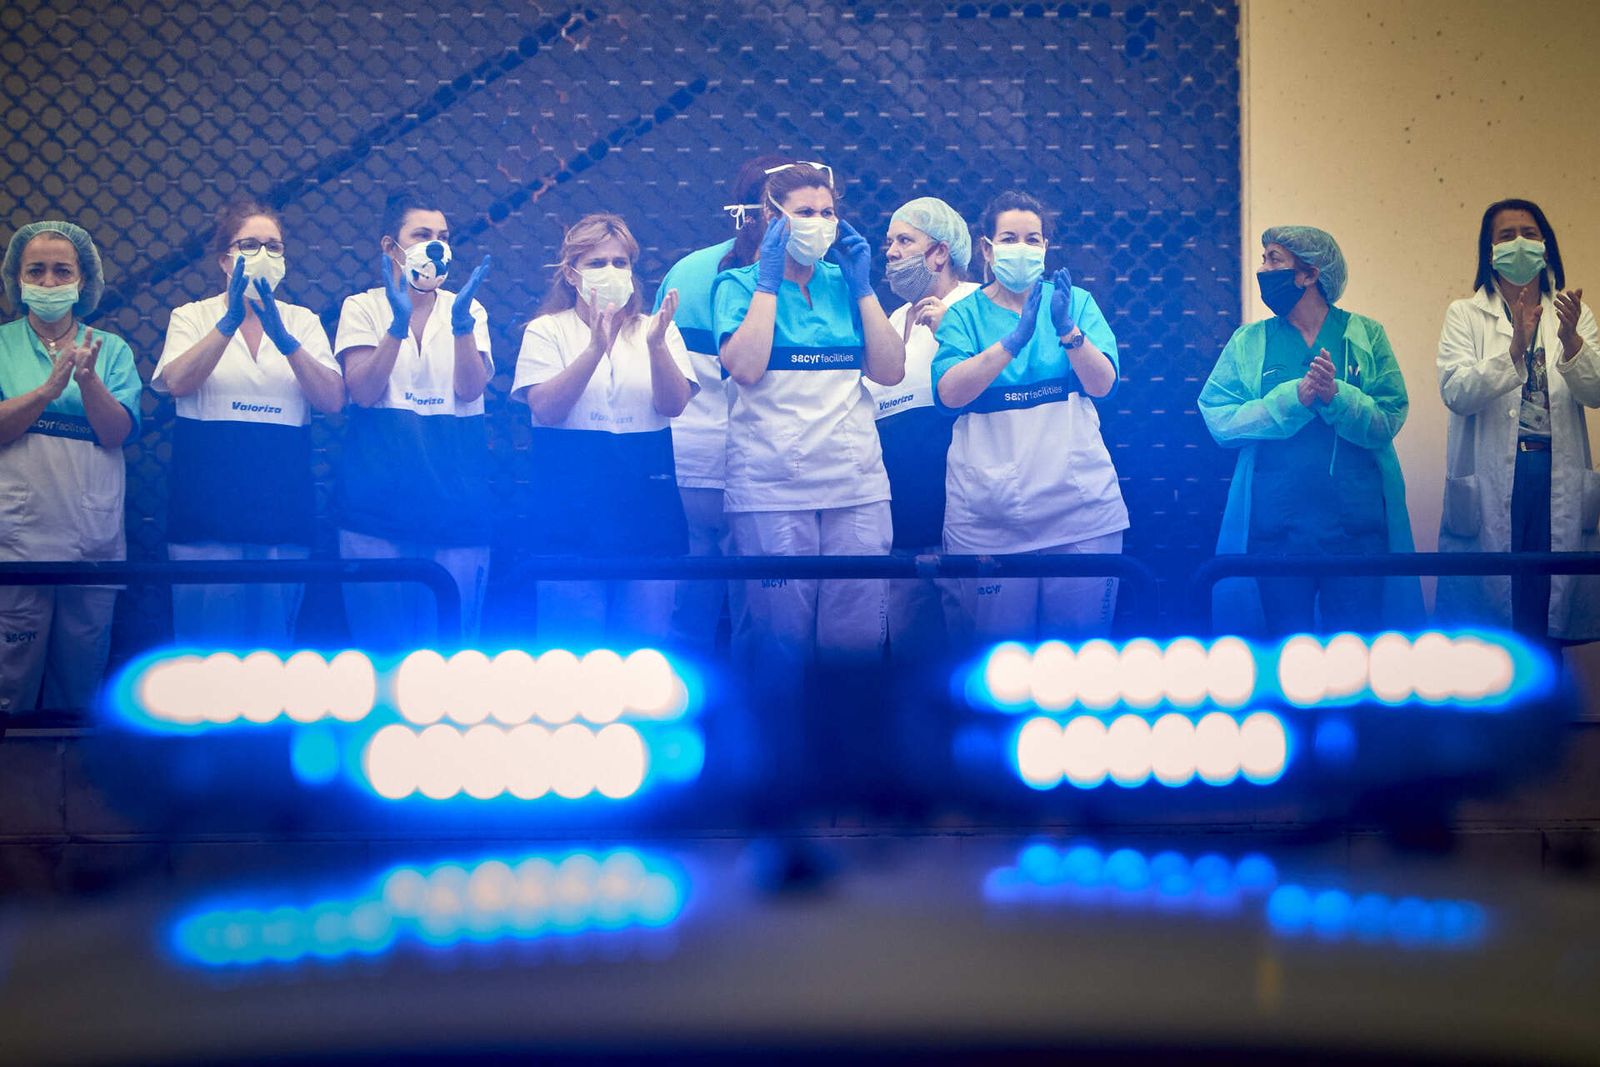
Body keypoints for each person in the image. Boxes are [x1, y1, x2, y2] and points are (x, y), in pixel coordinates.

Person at [712, 161, 905, 663]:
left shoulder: (844, 282)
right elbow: (747, 368)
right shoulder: (736, 285)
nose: (818, 221)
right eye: (804, 212)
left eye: (827, 211)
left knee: (855, 646)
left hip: (855, 485)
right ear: (771, 216)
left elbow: (889, 370)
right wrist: (768, 283)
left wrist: (863, 287)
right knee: (781, 648)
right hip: (773, 490)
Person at [1200, 225, 1418, 635]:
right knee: (1286, 656)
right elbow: (1219, 418)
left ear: (1310, 274)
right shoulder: (1250, 341)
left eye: (1274, 259)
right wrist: (1292, 399)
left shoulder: (1365, 335)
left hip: (1355, 531)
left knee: (1355, 657)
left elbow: (1389, 416)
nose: (1263, 269)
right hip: (1279, 534)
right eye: (1263, 258)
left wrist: (1338, 397)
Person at [931, 190, 1126, 642]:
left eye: (1033, 239)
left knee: (1080, 659)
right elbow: (948, 393)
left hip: (1080, 513)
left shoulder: (1074, 302)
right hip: (989, 519)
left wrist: (1069, 332)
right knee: (997, 664)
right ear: (987, 247)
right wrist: (1011, 343)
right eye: (1010, 237)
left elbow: (1104, 385)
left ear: (1046, 247)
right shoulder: (965, 315)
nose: (1023, 247)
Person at [153, 200, 344, 647]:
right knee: (205, 655)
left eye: (273, 247)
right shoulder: (192, 315)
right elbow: (176, 381)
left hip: (281, 511)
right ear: (224, 259)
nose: (263, 254)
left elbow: (333, 399)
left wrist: (287, 341)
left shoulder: (303, 320)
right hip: (206, 516)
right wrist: (228, 322)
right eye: (250, 244)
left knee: (272, 653)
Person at [512, 213, 696, 643]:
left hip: (646, 506)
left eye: (620, 262)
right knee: (572, 652)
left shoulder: (656, 329)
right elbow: (546, 408)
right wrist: (595, 348)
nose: (610, 272)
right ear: (572, 274)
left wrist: (655, 346)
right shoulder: (546, 330)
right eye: (597, 263)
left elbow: (674, 404)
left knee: (646, 651)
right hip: (570, 508)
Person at [334, 192, 493, 651]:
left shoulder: (470, 308)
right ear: (391, 247)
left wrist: (462, 327)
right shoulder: (362, 307)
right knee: (382, 654)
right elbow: (362, 391)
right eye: (422, 235)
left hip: (456, 507)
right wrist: (397, 326)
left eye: (443, 236)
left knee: (451, 655)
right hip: (376, 509)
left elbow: (470, 389)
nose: (436, 246)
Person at [1436, 198, 1600, 639]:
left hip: (1554, 474)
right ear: (1488, 251)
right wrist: (1513, 351)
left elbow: (1597, 391)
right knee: (1494, 622)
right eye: (1506, 236)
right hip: (1492, 478)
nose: (1519, 243)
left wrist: (1572, 346)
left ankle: (1546, 708)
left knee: (1548, 609)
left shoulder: (1574, 314)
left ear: (1546, 245)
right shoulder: (1465, 314)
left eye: (1529, 233)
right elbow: (1455, 391)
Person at [0, 220, 140, 712]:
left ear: (84, 282)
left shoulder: (112, 351)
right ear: (16, 279)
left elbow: (116, 432)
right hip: (15, 545)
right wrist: (45, 392)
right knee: (8, 686)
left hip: (92, 540)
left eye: (63, 271)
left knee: (80, 684)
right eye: (35, 271)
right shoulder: (1, 345)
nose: (49, 282)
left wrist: (88, 382)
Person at [655, 154, 791, 654]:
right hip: (767, 470)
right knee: (760, 626)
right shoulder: (813, 278)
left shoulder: (685, 270)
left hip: (693, 465)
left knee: (686, 620)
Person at [871, 196, 978, 658]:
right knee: (912, 661)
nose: (890, 252)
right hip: (903, 523)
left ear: (941, 252)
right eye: (890, 241)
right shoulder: (893, 321)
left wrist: (951, 332)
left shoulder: (977, 305)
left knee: (970, 656)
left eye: (904, 240)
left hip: (965, 517)